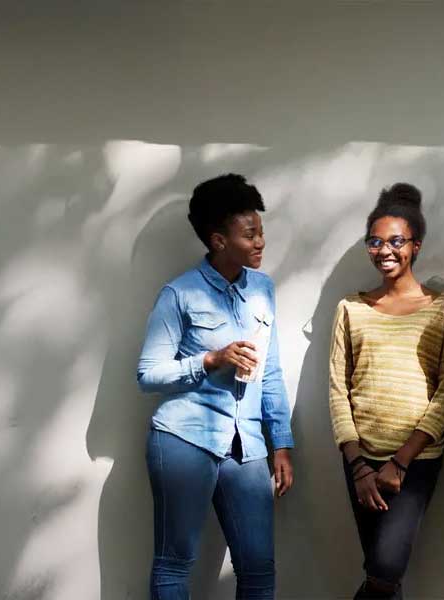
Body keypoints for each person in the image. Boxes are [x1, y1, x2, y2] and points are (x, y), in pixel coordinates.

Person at [137, 173, 294, 600]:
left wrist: (280, 443)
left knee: (259, 568)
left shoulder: (263, 289)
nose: (261, 241)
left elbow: (272, 371)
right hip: (184, 438)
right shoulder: (179, 294)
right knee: (174, 563)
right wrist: (211, 359)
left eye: (261, 230)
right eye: (250, 234)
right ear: (218, 240)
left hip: (248, 446)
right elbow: (148, 374)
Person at [329, 183, 444, 599]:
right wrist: (358, 466)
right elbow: (338, 389)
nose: (384, 250)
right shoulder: (350, 308)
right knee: (384, 577)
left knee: (385, 569)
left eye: (396, 241)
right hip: (362, 463)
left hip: (415, 462)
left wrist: (400, 463)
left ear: (416, 246)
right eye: (375, 241)